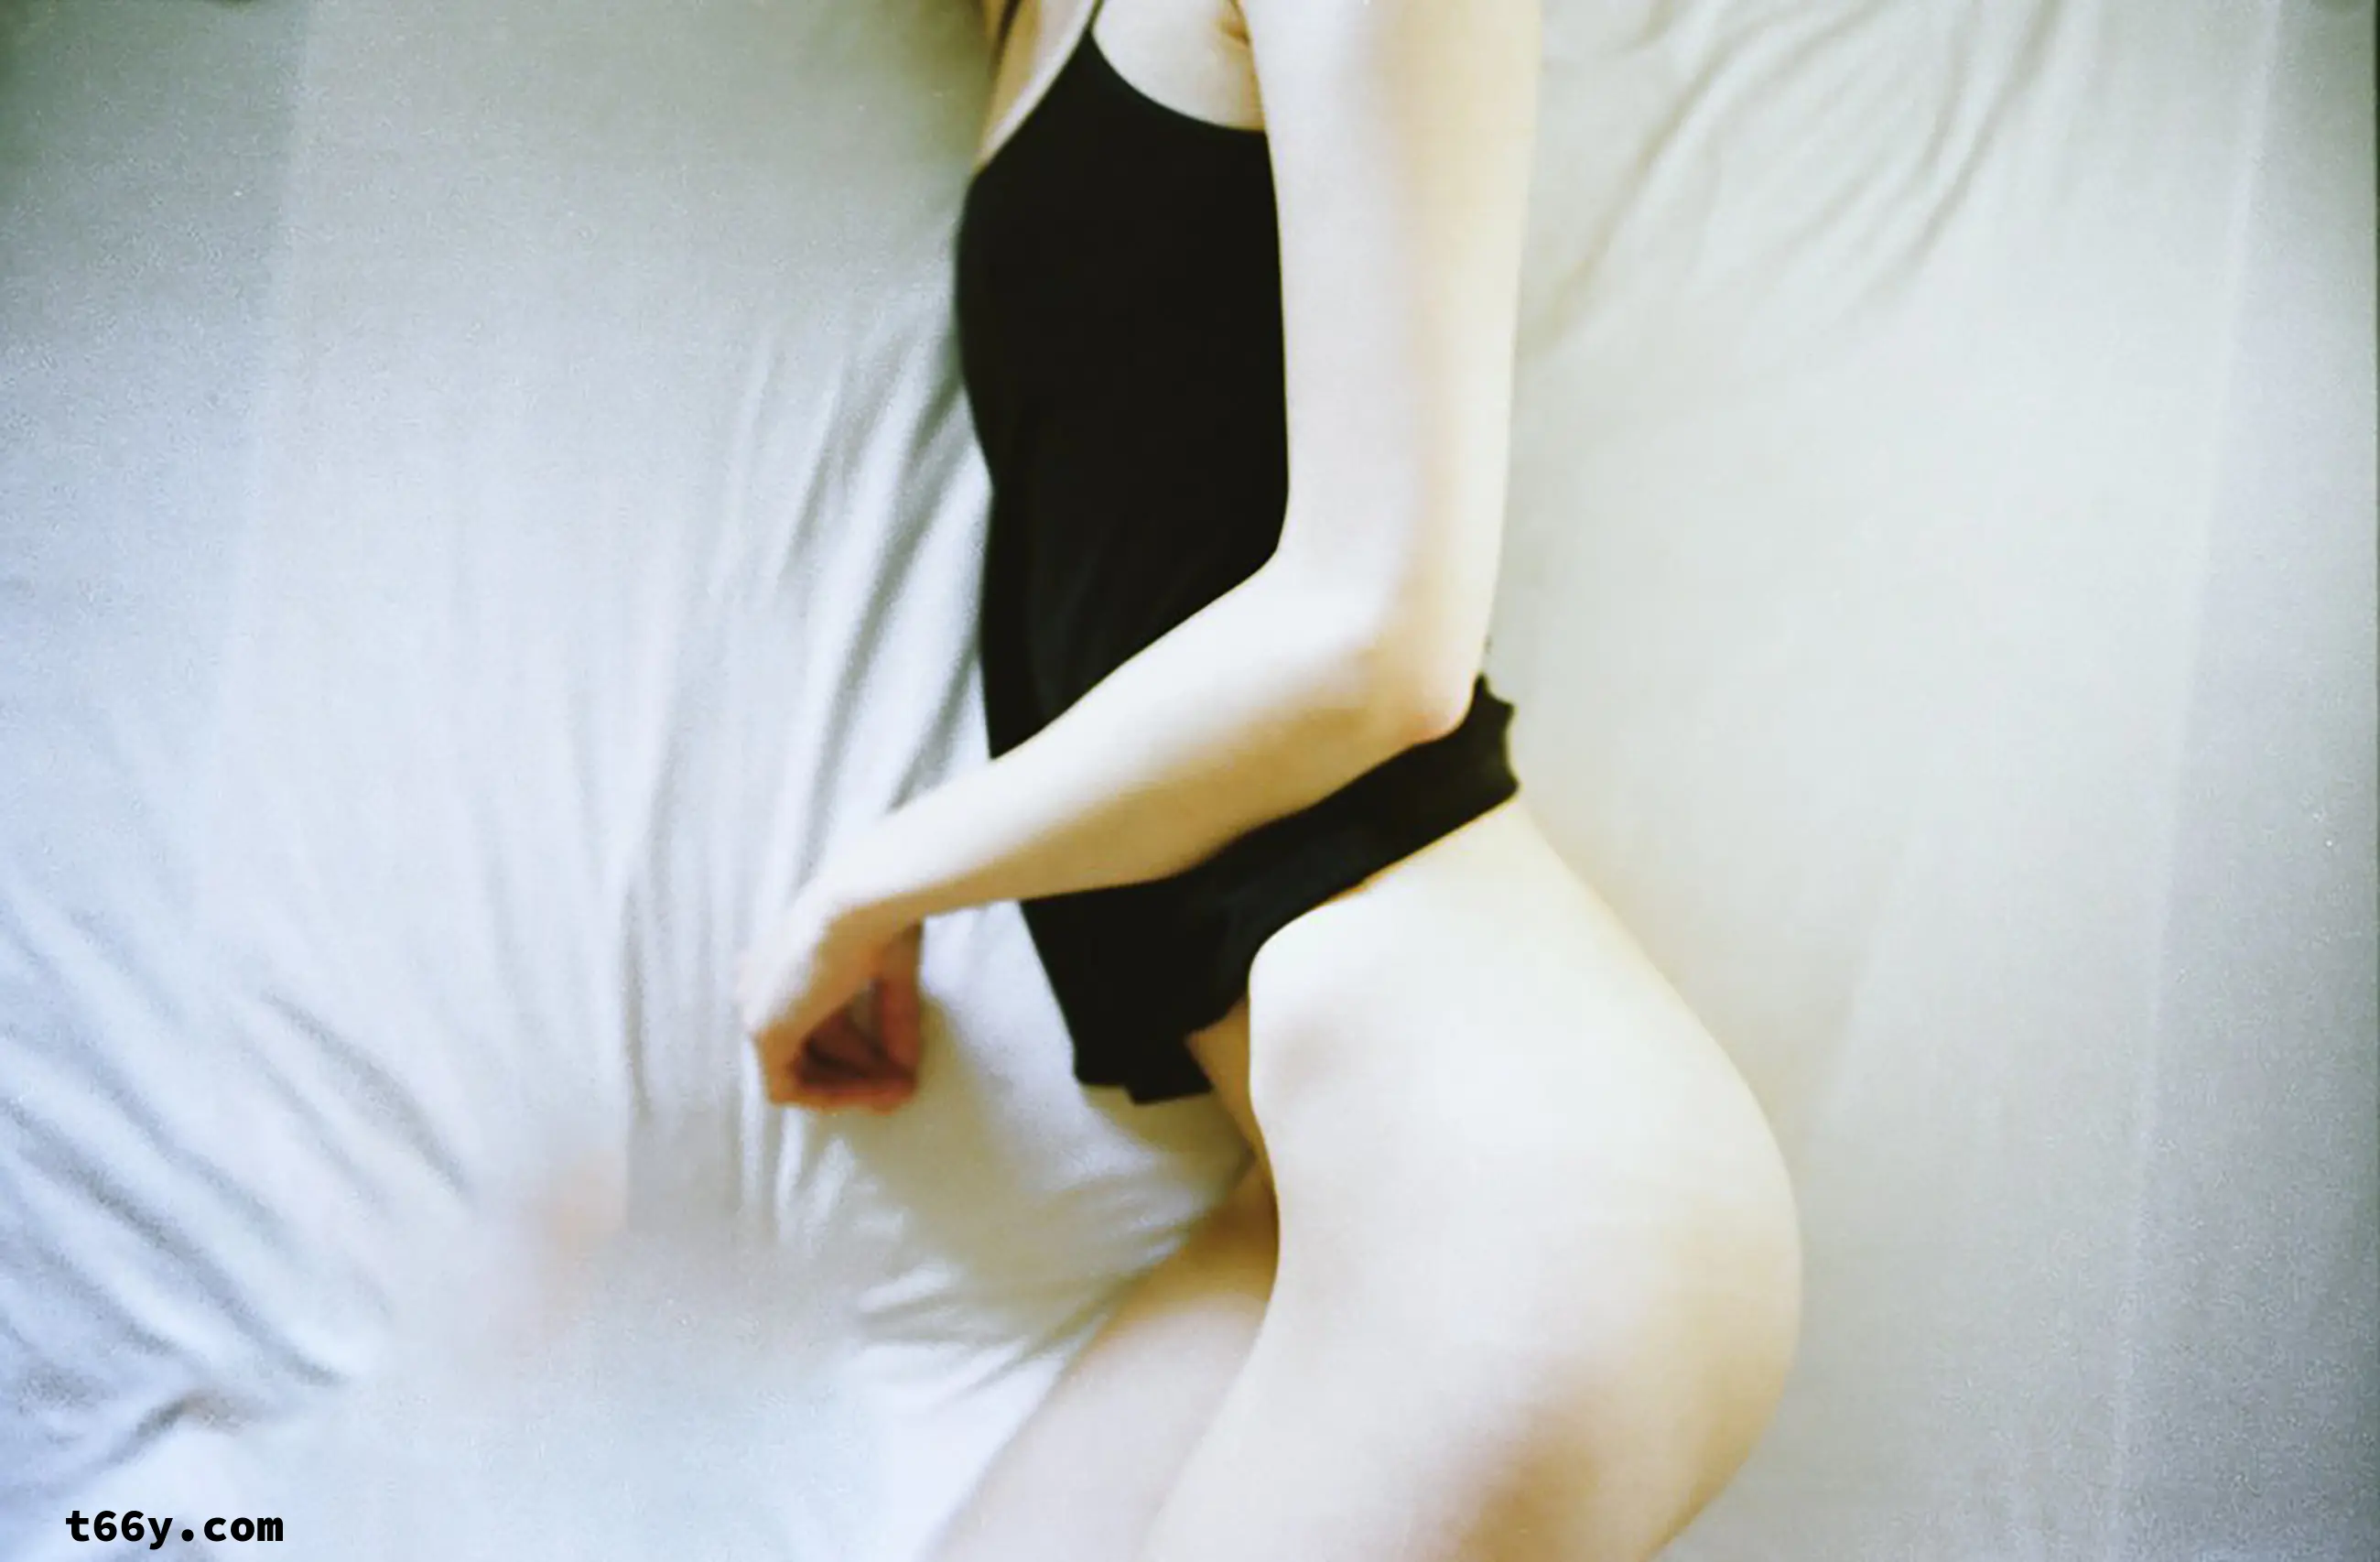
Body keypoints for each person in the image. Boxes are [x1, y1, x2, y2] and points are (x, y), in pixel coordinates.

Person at [735, 0, 1802, 1555]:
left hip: (1508, 1179)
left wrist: (867, 885)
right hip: (1316, 1200)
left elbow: (1379, 636)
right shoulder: (1020, 24)